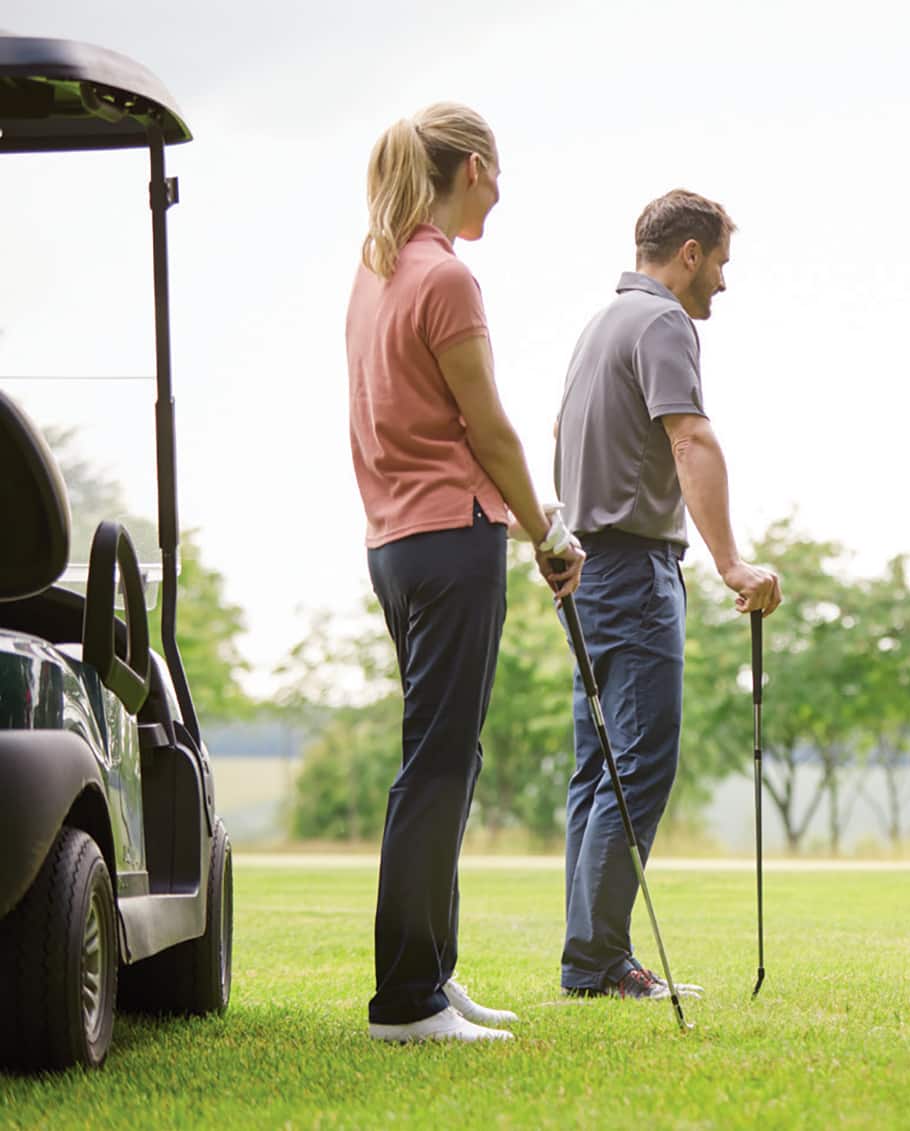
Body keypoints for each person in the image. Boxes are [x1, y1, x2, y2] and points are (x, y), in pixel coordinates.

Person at [346, 102, 582, 1043]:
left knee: (444, 757)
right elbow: (488, 427)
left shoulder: (376, 271)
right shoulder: (446, 276)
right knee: (437, 764)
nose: (503, 188)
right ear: (475, 167)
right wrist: (546, 531)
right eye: (500, 171)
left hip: (398, 545)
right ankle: (405, 999)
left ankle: (433, 977)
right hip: (453, 538)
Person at [554, 189, 781, 1000]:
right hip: (633, 572)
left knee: (598, 770)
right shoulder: (661, 323)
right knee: (637, 766)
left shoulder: (602, 325)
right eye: (720, 261)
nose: (722, 280)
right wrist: (732, 563)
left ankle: (588, 958)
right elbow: (691, 437)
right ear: (689, 253)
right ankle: (601, 962)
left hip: (586, 571)